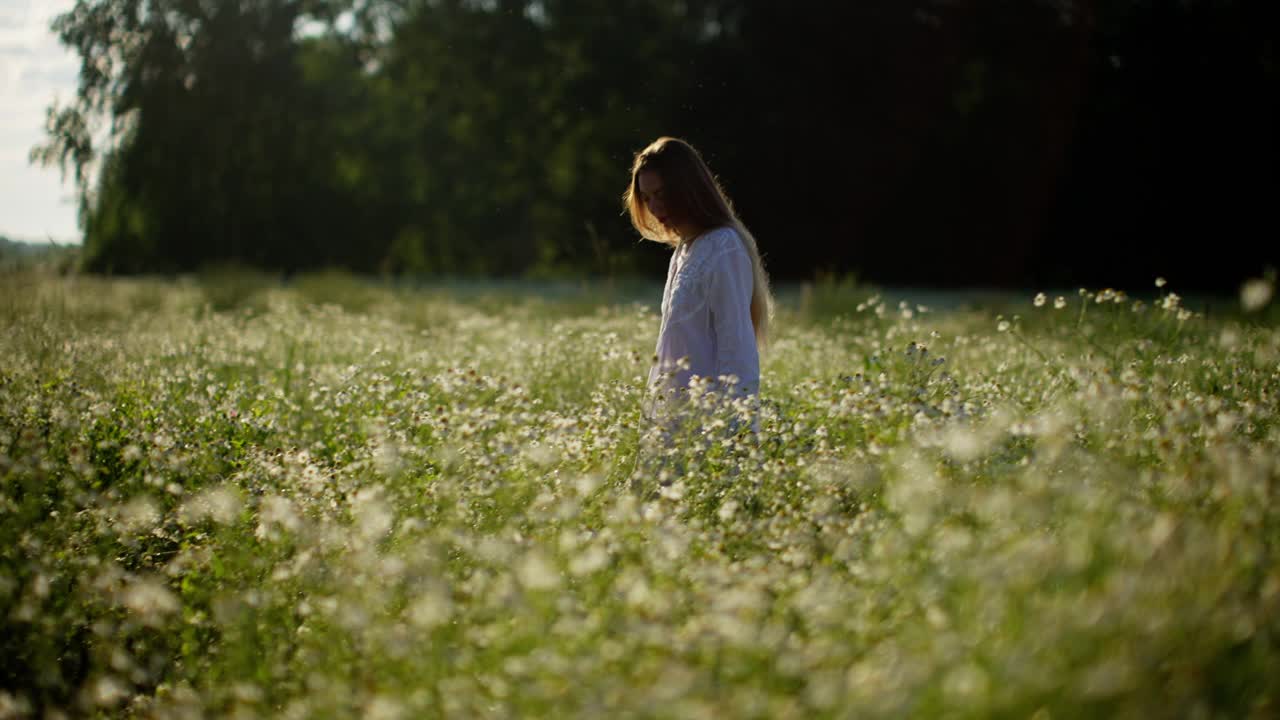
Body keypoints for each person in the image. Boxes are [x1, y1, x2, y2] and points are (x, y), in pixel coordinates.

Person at [623, 136, 773, 448]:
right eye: (647, 197)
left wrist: (735, 435)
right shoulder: (685, 250)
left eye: (662, 194)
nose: (655, 206)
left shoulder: (723, 247)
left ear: (687, 188)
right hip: (675, 421)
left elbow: (737, 347)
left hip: (707, 427)